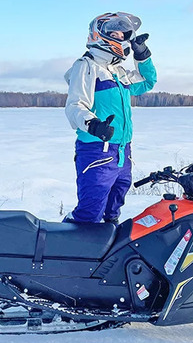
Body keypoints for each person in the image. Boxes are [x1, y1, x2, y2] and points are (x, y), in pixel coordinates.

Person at [64, 12, 157, 224]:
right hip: (97, 151)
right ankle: (65, 252)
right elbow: (75, 105)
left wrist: (142, 54)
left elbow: (147, 81)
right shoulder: (87, 66)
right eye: (114, 32)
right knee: (89, 214)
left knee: (112, 212)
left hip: (123, 151)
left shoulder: (118, 72)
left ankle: (109, 256)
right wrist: (93, 124)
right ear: (99, 34)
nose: (120, 37)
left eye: (123, 34)